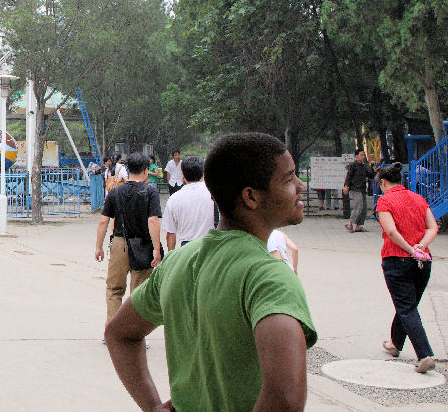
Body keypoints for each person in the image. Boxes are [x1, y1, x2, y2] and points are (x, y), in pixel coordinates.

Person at [105, 132, 316, 412]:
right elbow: (286, 399)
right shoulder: (269, 277)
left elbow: (119, 334)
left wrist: (152, 406)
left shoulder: (178, 262)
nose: (301, 185)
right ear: (251, 197)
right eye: (289, 179)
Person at [375, 162, 438, 374]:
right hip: (423, 261)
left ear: (383, 182)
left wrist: (410, 250)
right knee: (407, 305)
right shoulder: (418, 198)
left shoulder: (385, 201)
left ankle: (425, 354)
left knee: (406, 307)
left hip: (397, 259)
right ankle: (395, 343)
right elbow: (433, 227)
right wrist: (421, 246)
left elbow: (391, 232)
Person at [94, 152, 162, 324]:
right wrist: (156, 249)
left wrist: (99, 246)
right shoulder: (150, 192)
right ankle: (134, 334)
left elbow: (103, 221)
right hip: (143, 244)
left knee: (114, 289)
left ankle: (113, 329)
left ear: (127, 169)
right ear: (147, 170)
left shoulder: (115, 192)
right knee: (139, 292)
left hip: (119, 243)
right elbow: (153, 220)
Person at [161, 155, 214, 250]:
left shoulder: (174, 199)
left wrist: (172, 259)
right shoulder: (213, 195)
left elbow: (170, 234)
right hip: (211, 246)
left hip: (187, 248)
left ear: (183, 174)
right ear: (203, 172)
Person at [343, 149, 373, 232]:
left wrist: (373, 170)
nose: (363, 156)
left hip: (362, 189)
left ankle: (359, 226)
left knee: (364, 208)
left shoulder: (364, 166)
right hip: (355, 189)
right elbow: (348, 176)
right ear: (356, 155)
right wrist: (346, 186)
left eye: (364, 155)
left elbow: (370, 175)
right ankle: (350, 223)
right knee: (358, 206)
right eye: (361, 155)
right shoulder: (353, 165)